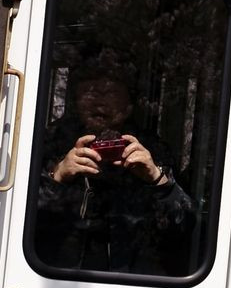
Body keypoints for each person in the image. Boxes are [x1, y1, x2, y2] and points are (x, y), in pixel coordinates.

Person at [29, 60, 196, 271]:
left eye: (110, 92)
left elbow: (185, 227)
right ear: (76, 100)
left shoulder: (151, 149)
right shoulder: (49, 142)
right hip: (54, 274)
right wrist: (57, 177)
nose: (99, 101)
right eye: (90, 91)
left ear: (128, 106)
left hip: (129, 278)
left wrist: (157, 179)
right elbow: (18, 221)